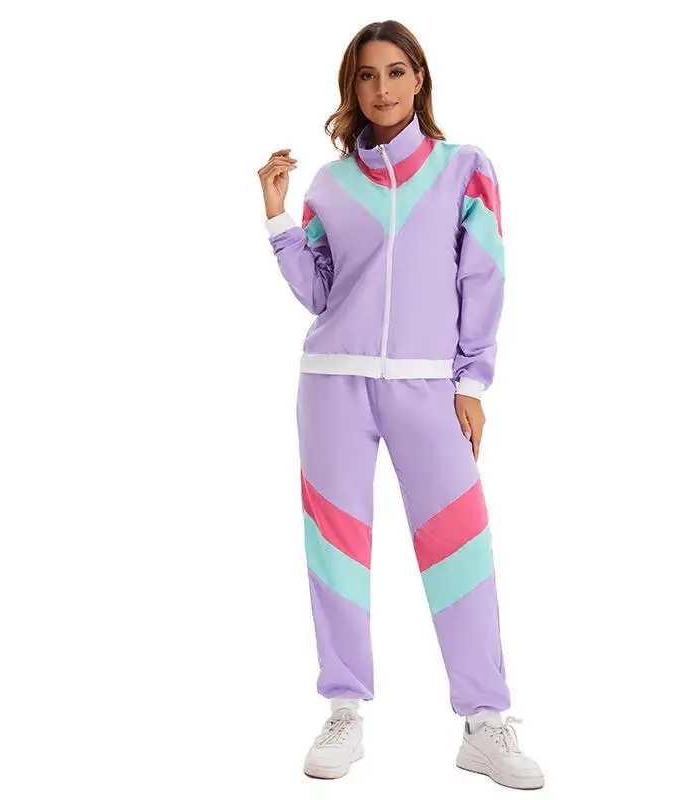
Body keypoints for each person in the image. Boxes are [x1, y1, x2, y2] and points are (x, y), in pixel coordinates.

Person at [257, 19, 544, 790]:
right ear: (351, 88)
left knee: (461, 551)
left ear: (419, 78)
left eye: (394, 71)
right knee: (336, 549)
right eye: (366, 75)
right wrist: (278, 216)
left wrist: (472, 383)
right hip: (333, 383)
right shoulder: (329, 184)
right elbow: (319, 291)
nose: (381, 88)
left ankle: (484, 723)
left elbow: (484, 274)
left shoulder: (464, 169)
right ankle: (344, 708)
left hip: (429, 386)